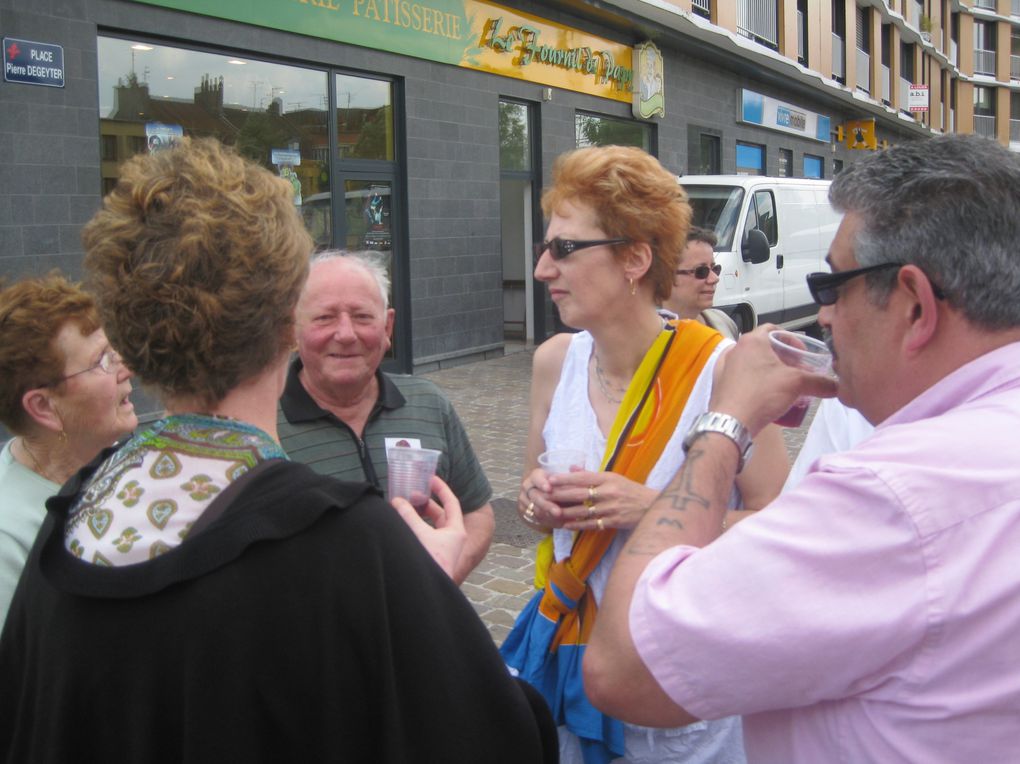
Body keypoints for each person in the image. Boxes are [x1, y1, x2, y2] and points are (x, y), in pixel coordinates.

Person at [0, 138, 556, 763]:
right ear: (286, 319)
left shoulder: (66, 526)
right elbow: (499, 738)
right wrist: (421, 587)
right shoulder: (348, 545)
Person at [585, 134, 1020, 762]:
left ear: (916, 305)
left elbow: (625, 664)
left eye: (832, 285)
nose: (823, 317)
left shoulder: (894, 496)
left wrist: (727, 420)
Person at [499, 144, 789, 764]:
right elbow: (529, 493)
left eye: (564, 249)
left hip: (678, 684)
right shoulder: (554, 363)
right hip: (572, 663)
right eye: (545, 248)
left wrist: (651, 508)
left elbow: (781, 521)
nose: (542, 270)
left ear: (634, 259)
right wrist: (535, 503)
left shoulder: (720, 371)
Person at [277, 250, 495, 584]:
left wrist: (440, 580)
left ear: (387, 326)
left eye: (363, 317)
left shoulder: (428, 403)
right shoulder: (263, 427)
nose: (347, 334)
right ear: (294, 328)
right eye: (324, 318)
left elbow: (477, 512)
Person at [0, 273, 137, 631]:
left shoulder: (122, 461)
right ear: (43, 407)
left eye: (114, 350)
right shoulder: (7, 540)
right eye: (103, 360)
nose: (127, 368)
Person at [661, 226, 739, 339]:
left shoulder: (724, 323)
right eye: (702, 271)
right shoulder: (644, 339)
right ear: (667, 276)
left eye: (715, 268)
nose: (714, 278)